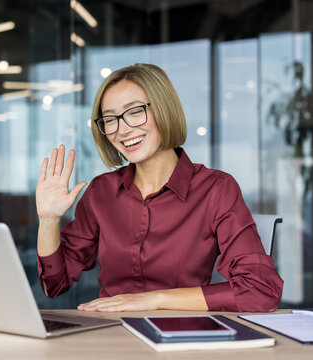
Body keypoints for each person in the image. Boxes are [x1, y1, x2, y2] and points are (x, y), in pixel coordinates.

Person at [35, 63, 283, 313]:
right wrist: (48, 221)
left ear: (163, 109)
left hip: (180, 338)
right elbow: (54, 285)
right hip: (109, 336)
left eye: (134, 112)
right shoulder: (101, 192)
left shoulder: (216, 189)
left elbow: (259, 291)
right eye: (110, 119)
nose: (122, 129)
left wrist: (156, 299)